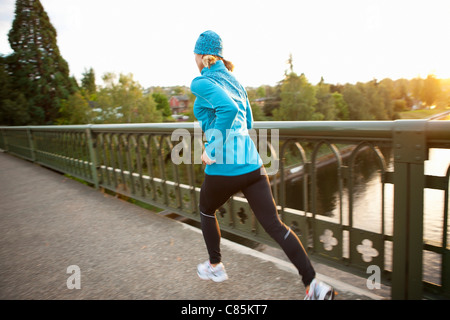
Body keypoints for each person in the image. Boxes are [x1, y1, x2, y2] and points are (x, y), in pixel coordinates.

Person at [190, 30, 336, 300]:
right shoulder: (235, 81)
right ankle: (313, 285)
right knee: (275, 226)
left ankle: (215, 266)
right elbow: (248, 124)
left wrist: (211, 148)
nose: (193, 59)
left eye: (194, 55)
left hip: (224, 166)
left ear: (201, 55)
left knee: (206, 209)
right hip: (253, 166)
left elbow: (229, 111)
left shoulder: (200, 82)